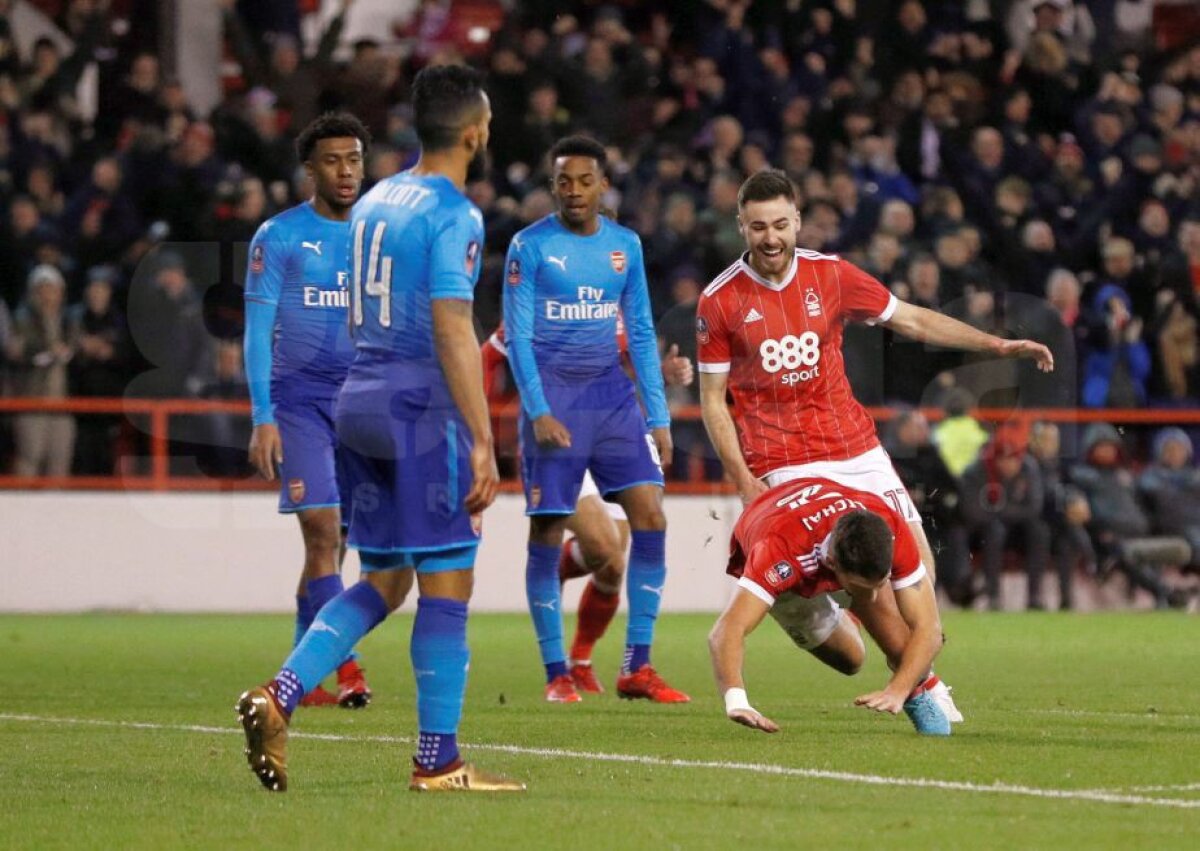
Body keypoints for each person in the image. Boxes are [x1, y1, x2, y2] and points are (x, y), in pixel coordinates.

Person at [237, 65, 524, 793]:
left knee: (387, 578)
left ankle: (280, 692)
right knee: (449, 581)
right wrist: (482, 436)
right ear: (475, 133)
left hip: (356, 399)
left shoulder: (374, 199)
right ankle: (438, 760)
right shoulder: (454, 212)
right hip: (419, 408)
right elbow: (452, 326)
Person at [697, 169, 1054, 723]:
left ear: (798, 220)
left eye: (781, 224)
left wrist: (995, 344)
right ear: (741, 226)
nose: (771, 237)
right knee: (865, 609)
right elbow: (714, 399)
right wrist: (744, 479)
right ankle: (922, 690)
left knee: (918, 573)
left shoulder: (831, 276)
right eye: (759, 226)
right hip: (783, 461)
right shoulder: (719, 301)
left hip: (855, 447)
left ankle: (900, 665)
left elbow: (910, 318)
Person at [503, 135, 687, 704]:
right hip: (556, 400)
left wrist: (658, 416)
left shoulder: (624, 246)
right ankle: (557, 671)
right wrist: (537, 410)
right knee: (547, 531)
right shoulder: (528, 247)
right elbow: (518, 338)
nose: (575, 191)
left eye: (586, 180)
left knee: (651, 518)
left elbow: (641, 329)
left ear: (604, 185)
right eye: (564, 181)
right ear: (552, 185)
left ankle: (638, 665)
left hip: (612, 400)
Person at [480, 318, 693, 694]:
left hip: (614, 429)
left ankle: (587, 661)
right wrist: (478, 436)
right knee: (603, 546)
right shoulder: (543, 288)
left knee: (613, 566)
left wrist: (659, 374)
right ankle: (557, 665)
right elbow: (488, 357)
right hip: (559, 433)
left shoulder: (619, 290)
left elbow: (621, 368)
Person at [242, 112, 373, 709]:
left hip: (363, 400)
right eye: (332, 161)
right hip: (298, 402)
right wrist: (262, 414)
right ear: (310, 169)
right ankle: (347, 668)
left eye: (353, 159)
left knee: (338, 541)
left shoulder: (380, 235)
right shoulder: (280, 236)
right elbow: (256, 330)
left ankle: (304, 672)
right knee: (322, 531)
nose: (345, 172)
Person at [709, 477, 952, 737]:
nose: (872, 597)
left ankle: (917, 696)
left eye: (880, 583)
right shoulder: (778, 553)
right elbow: (726, 630)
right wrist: (736, 701)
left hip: (819, 517)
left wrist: (898, 690)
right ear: (832, 563)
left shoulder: (890, 528)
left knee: (902, 645)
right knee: (850, 660)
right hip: (787, 562)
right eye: (862, 588)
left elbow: (930, 630)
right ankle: (831, 608)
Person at [959, 431, 1051, 611]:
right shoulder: (975, 471)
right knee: (994, 531)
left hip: (1017, 528)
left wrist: (1000, 510)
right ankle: (993, 596)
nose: (1009, 464)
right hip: (981, 532)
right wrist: (1003, 513)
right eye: (1004, 459)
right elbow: (972, 511)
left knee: (1039, 531)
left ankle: (1035, 596)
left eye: (1014, 459)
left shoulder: (1029, 468)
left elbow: (1034, 507)